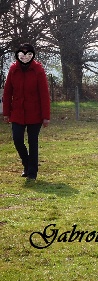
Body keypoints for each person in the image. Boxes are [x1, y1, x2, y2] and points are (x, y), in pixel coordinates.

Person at [3, 43, 51, 181]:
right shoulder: (13, 70)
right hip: (17, 113)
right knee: (17, 140)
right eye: (22, 53)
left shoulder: (38, 70)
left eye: (28, 53)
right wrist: (6, 113)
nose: (24, 56)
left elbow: (44, 95)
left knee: (32, 142)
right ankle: (27, 164)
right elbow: (7, 93)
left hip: (34, 113)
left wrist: (46, 117)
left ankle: (32, 172)